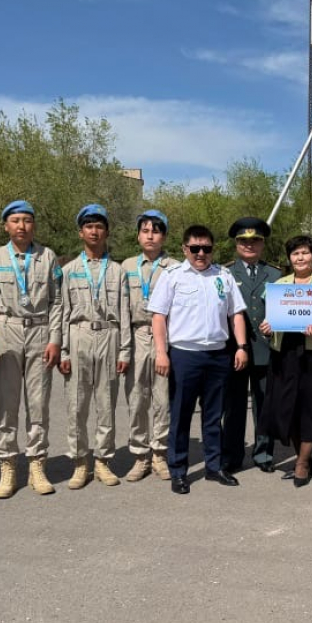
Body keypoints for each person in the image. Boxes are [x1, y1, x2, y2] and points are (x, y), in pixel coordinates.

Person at [149, 224, 248, 494]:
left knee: (214, 415)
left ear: (212, 250)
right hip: (184, 355)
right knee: (180, 415)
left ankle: (214, 467)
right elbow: (158, 316)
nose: (200, 253)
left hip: (218, 354)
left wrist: (241, 346)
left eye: (206, 248)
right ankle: (178, 471)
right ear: (185, 249)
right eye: (195, 248)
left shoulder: (223, 276)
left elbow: (236, 314)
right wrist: (161, 352)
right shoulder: (172, 276)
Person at [0, 200, 63, 498]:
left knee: (38, 402)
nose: (21, 226)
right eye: (15, 220)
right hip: (7, 330)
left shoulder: (47, 256)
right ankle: (7, 465)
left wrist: (55, 338)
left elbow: (57, 301)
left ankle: (37, 464)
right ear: (6, 225)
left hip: (40, 330)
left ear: (34, 225)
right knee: (6, 402)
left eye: (27, 220)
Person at [258, 235, 312, 487]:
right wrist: (267, 326)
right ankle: (301, 455)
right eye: (295, 254)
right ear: (289, 258)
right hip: (285, 353)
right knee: (288, 408)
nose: (300, 258)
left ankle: (303, 462)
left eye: (305, 253)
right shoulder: (280, 284)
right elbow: (270, 316)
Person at [59, 204, 131, 489]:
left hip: (109, 337)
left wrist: (125, 350)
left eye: (99, 226)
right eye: (89, 226)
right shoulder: (68, 271)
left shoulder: (117, 271)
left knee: (106, 404)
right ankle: (79, 462)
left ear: (107, 232)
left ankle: (103, 461)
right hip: (79, 335)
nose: (94, 231)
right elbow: (62, 312)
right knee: (77, 405)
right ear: (81, 232)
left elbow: (124, 312)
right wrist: (63, 350)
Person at [121, 210, 180, 483]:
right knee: (136, 398)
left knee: (161, 397)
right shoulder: (127, 267)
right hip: (134, 336)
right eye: (145, 230)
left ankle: (159, 453)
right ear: (138, 235)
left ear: (164, 236)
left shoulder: (176, 267)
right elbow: (120, 309)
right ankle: (140, 455)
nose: (150, 236)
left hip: (163, 338)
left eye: (156, 231)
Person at [222, 216, 281, 473]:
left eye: (255, 240)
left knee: (265, 405)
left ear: (263, 243)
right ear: (236, 244)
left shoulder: (276, 274)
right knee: (233, 406)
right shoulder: (223, 273)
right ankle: (232, 456)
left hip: (266, 350)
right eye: (244, 241)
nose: (250, 245)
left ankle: (264, 454)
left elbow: (287, 310)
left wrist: (276, 321)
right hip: (234, 350)